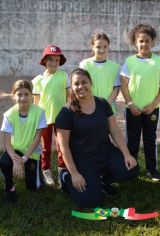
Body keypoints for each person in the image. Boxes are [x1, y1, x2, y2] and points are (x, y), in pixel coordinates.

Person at [56, 68, 138, 208]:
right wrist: (74, 173)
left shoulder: (102, 103)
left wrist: (126, 154)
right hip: (83, 159)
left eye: (84, 82)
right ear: (72, 86)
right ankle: (65, 177)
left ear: (90, 83)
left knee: (131, 170)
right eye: (76, 84)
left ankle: (103, 180)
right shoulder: (66, 112)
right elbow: (63, 146)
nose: (81, 87)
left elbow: (114, 130)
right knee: (90, 201)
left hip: (105, 153)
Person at [120, 24, 160, 181]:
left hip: (152, 110)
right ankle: (131, 170)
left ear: (152, 42)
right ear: (135, 42)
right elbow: (123, 85)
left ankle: (152, 170)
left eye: (147, 41)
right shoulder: (129, 62)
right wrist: (130, 104)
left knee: (150, 139)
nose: (144, 44)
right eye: (140, 41)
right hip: (133, 109)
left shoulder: (159, 61)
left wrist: (154, 104)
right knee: (132, 140)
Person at [0, 80, 47, 202]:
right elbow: (7, 142)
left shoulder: (39, 112)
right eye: (19, 94)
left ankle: (34, 172)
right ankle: (9, 187)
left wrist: (24, 159)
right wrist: (16, 160)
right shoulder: (9, 115)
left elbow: (37, 139)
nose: (23, 98)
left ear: (32, 95)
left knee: (34, 187)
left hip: (32, 152)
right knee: (4, 162)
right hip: (15, 151)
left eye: (26, 94)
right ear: (13, 96)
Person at [32, 45, 70, 186]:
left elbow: (68, 96)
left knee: (61, 145)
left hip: (61, 118)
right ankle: (46, 170)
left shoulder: (64, 75)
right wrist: (36, 118)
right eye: (50, 60)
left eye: (56, 60)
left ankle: (62, 171)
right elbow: (36, 103)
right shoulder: (37, 80)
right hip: (44, 119)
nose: (54, 63)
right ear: (44, 61)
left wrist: (68, 112)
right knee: (45, 147)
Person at [79, 33, 121, 114]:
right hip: (89, 107)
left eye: (105, 47)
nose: (102, 50)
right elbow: (82, 87)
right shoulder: (84, 65)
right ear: (92, 47)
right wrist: (92, 104)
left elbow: (116, 89)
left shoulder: (115, 67)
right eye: (98, 47)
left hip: (108, 109)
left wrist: (105, 105)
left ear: (108, 47)